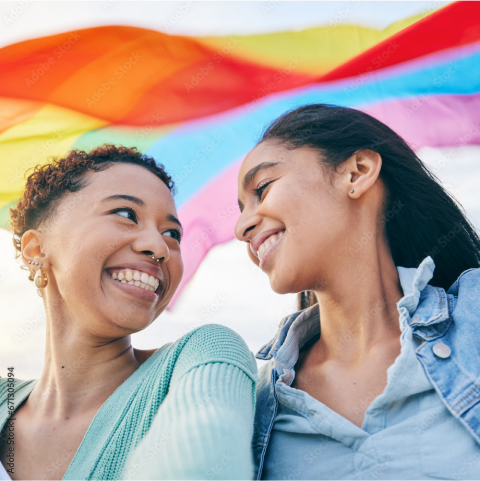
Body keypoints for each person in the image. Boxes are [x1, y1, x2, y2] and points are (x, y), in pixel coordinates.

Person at [235, 104, 480, 480]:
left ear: (357, 172)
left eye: (262, 188)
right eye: (241, 208)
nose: (241, 227)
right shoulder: (250, 409)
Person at [0, 145, 257, 481]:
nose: (159, 246)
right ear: (36, 250)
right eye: (125, 214)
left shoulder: (202, 355)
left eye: (172, 234)